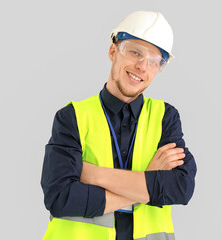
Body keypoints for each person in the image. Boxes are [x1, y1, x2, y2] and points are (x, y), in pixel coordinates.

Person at [41, 10, 197, 240]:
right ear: (113, 51)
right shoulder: (72, 117)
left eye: (154, 61)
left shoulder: (165, 117)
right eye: (135, 52)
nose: (142, 67)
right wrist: (148, 179)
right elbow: (60, 197)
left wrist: (91, 174)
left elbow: (181, 188)